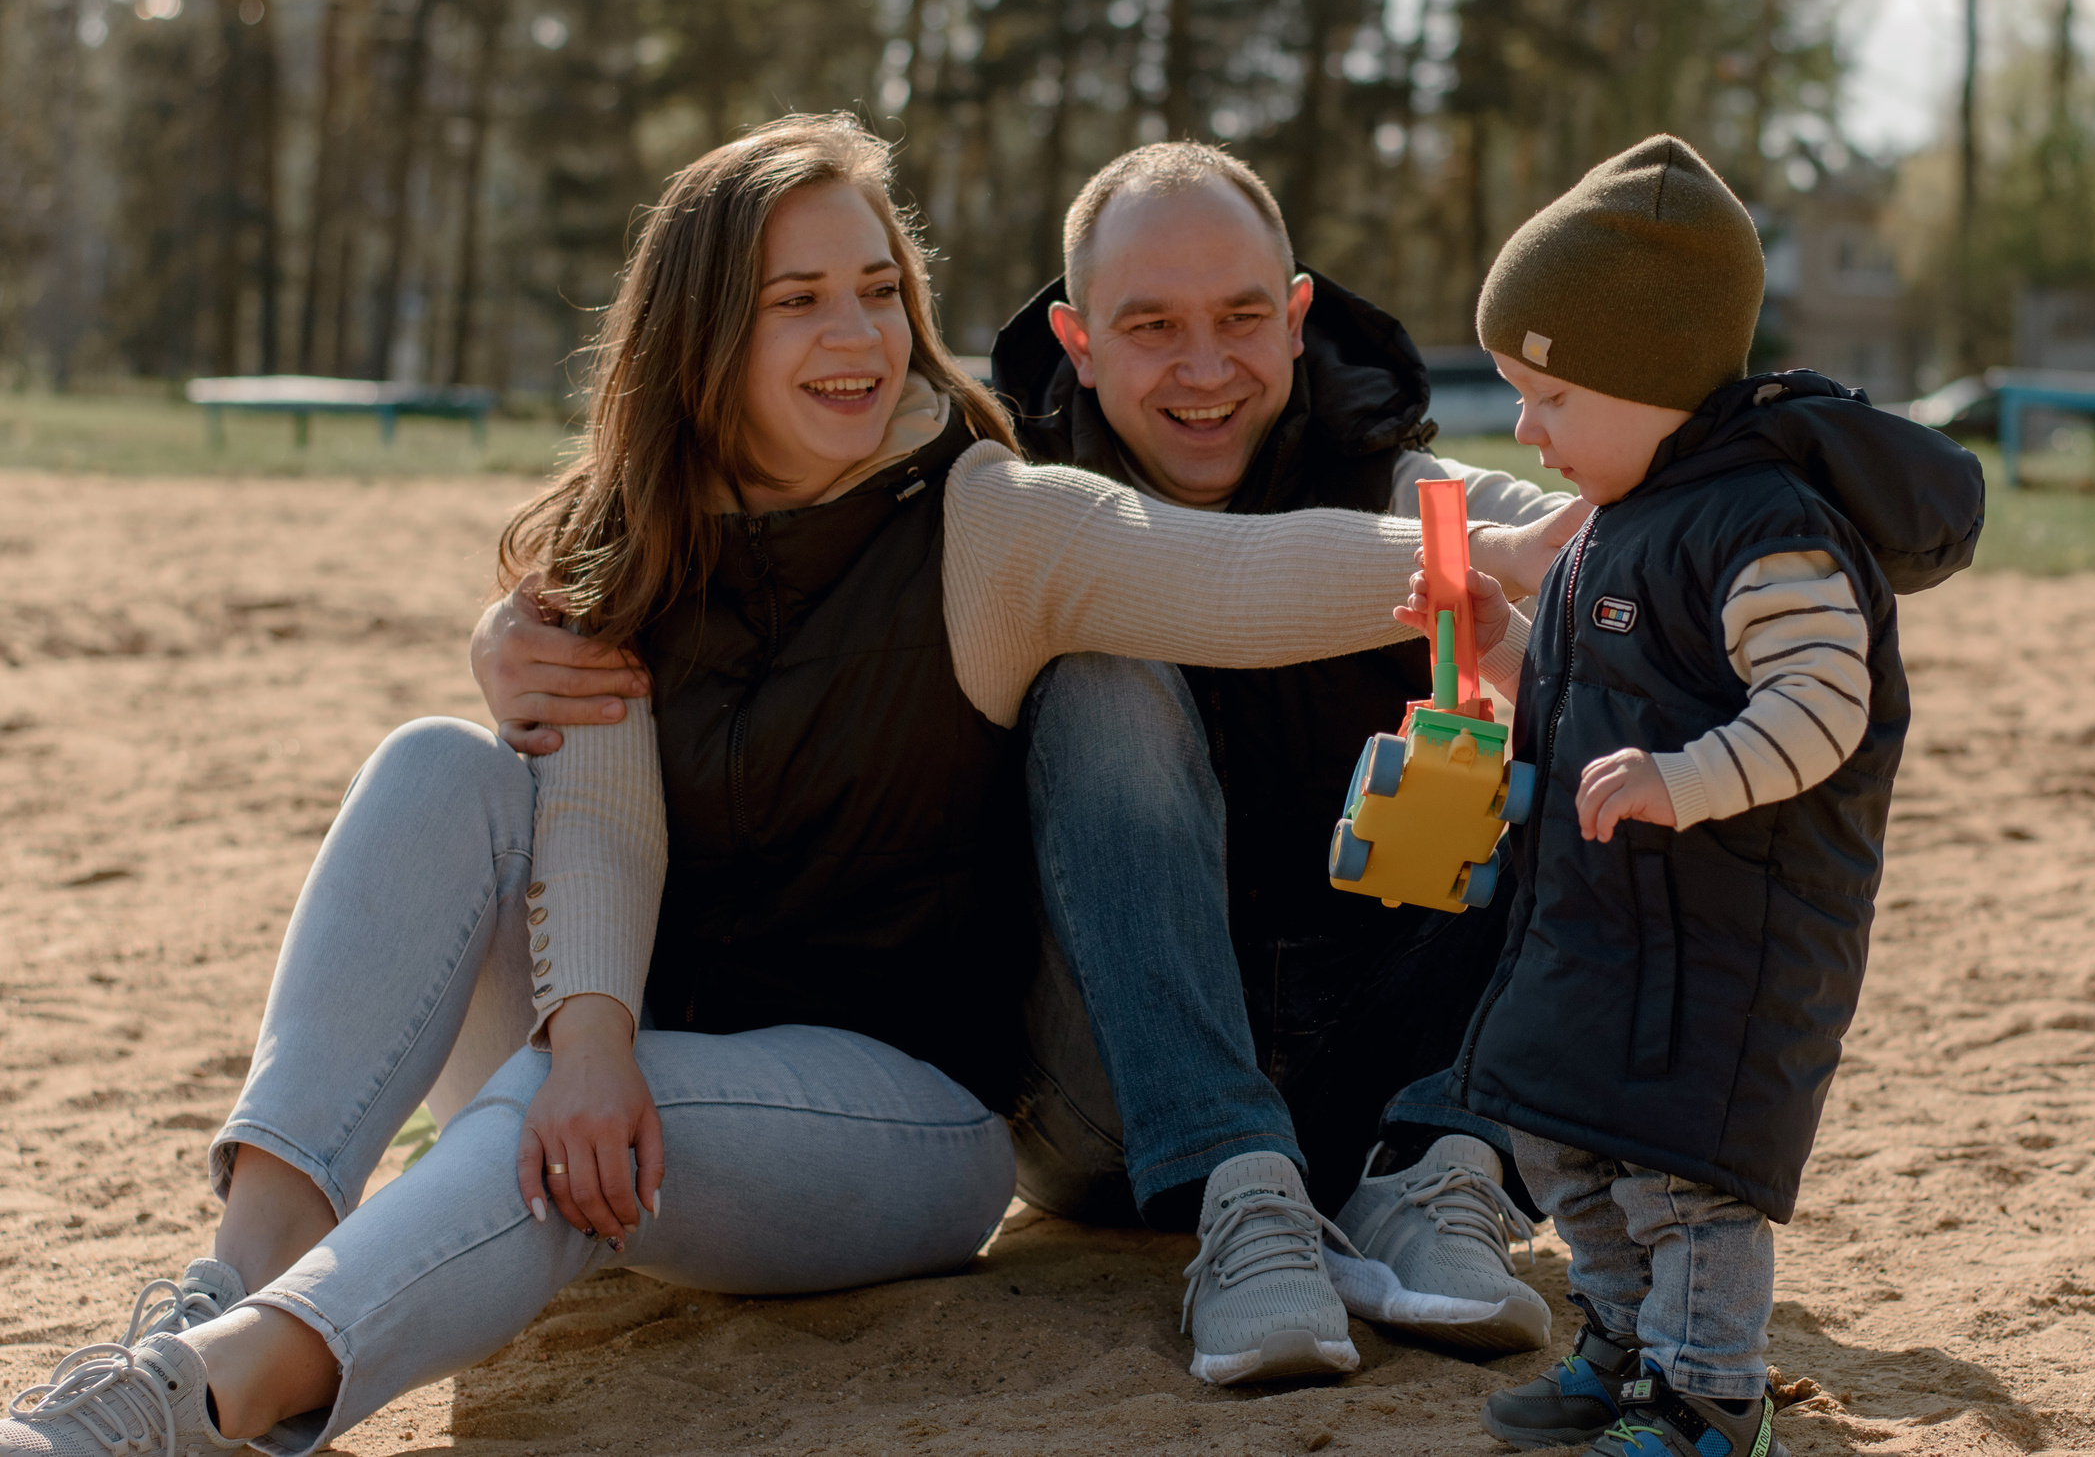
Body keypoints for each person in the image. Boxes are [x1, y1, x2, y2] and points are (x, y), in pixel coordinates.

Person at [0, 115, 1565, 1457]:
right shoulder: (609, 538)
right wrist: (593, 1029)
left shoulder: (988, 515)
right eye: (799, 299)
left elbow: (1218, 566)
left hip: (901, 1118)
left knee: (577, 1098)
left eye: (881, 291)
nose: (860, 335)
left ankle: (210, 1394)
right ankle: (238, 1272)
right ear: (704, 338)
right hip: (650, 1050)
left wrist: (1472, 560)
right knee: (438, 765)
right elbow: (597, 815)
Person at [477, 141, 1582, 1384]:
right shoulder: (1003, 502)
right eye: (1150, 325)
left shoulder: (1405, 484)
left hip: (1380, 1047)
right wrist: (517, 632)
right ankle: (1239, 1185)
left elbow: (1555, 539)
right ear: (1076, 338)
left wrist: (1569, 603)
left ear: (1297, 314)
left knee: (1585, 705)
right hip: (1094, 1080)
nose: (1205, 368)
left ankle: (1442, 1169)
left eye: (1240, 319)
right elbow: (727, 600)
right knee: (1101, 671)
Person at [1401, 136, 1983, 1457]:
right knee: (1565, 1147)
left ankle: (1711, 1383)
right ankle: (1625, 1346)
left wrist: (1684, 778)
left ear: (1649, 373)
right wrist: (1494, 637)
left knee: (1684, 1179)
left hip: (1728, 936)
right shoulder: (1621, 513)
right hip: (1610, 924)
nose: (1527, 430)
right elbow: (1585, 687)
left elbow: (1823, 706)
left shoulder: (1763, 526)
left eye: (1547, 395)